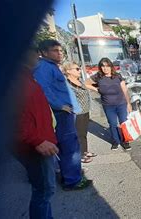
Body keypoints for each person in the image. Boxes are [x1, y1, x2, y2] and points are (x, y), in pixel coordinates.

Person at [34, 39, 92, 190]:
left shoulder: (51, 66)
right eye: (55, 50)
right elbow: (43, 89)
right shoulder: (44, 68)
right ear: (44, 52)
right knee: (70, 148)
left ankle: (71, 175)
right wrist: (59, 105)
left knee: (69, 146)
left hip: (66, 111)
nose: (60, 53)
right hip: (61, 113)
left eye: (60, 51)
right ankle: (73, 181)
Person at [16, 48, 59, 219]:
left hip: (40, 141)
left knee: (44, 190)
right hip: (36, 145)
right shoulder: (16, 81)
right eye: (34, 51)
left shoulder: (27, 77)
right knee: (44, 191)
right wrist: (36, 140)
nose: (38, 56)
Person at [85, 57, 132, 151]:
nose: (105, 68)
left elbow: (125, 90)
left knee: (123, 122)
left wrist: (128, 103)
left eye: (107, 66)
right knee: (112, 123)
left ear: (111, 66)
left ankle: (125, 141)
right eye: (102, 66)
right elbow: (86, 83)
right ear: (100, 67)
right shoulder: (98, 76)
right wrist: (96, 89)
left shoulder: (117, 76)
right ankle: (115, 141)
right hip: (108, 105)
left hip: (121, 103)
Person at [62, 62, 97, 163]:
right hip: (77, 113)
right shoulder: (67, 83)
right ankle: (80, 154)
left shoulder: (80, 80)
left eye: (79, 68)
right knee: (78, 134)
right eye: (77, 69)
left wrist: (95, 89)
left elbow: (87, 87)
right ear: (68, 71)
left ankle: (84, 151)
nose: (80, 71)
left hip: (85, 110)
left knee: (83, 133)